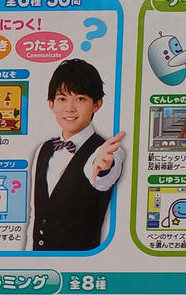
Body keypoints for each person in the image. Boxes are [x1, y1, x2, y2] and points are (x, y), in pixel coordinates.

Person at [29, 58, 125, 251]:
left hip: (81, 263)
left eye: (80, 99)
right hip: (40, 261)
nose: (70, 108)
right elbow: (35, 214)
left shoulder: (108, 150)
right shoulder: (43, 149)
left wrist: (102, 168)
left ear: (96, 104)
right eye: (62, 99)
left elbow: (101, 178)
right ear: (51, 104)